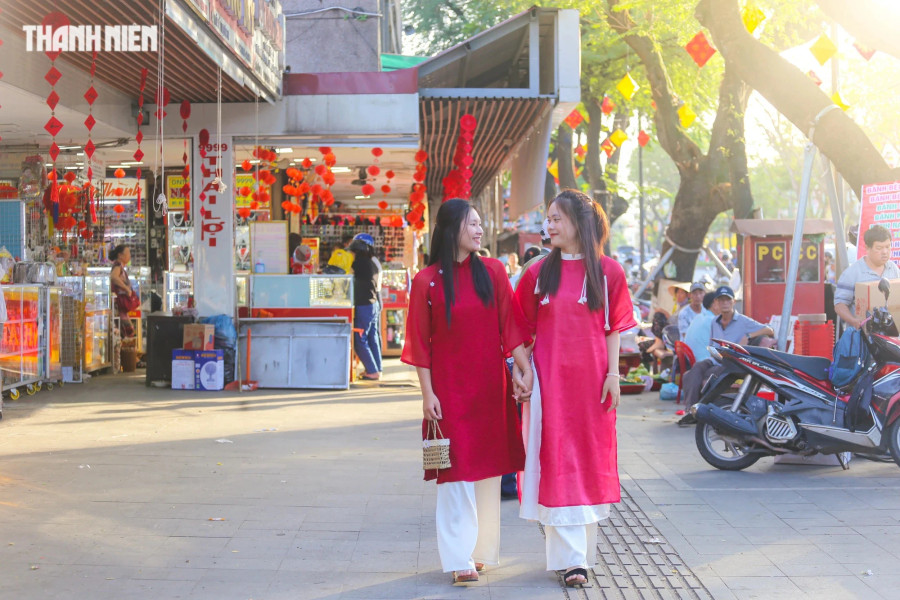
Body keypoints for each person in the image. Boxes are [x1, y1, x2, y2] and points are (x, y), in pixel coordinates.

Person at [402, 198, 533, 586]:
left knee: (488, 472)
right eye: (471, 224)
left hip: (490, 388)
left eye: (480, 223)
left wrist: (525, 373)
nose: (479, 230)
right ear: (449, 229)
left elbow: (511, 328)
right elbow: (420, 345)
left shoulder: (492, 272)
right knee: (455, 472)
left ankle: (479, 552)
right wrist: (427, 395)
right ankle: (459, 556)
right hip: (449, 391)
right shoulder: (427, 281)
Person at [513, 190, 636, 587]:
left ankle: (580, 555)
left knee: (586, 459)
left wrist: (613, 375)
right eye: (547, 219)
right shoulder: (536, 273)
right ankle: (572, 561)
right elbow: (517, 329)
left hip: (594, 384)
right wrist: (522, 371)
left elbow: (613, 327)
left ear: (578, 222)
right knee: (556, 459)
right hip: (549, 383)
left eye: (556, 219)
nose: (548, 226)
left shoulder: (609, 272)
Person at [680, 286, 774, 409]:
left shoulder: (742, 321)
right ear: (716, 303)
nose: (724, 303)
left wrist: (748, 335)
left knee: (706, 374)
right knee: (695, 369)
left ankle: (701, 409)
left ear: (733, 302)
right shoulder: (714, 321)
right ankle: (691, 409)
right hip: (715, 359)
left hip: (731, 363)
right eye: (721, 300)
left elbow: (769, 330)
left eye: (727, 300)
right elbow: (712, 344)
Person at [834, 225, 900, 329]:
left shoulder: (894, 269)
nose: (885, 252)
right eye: (879, 248)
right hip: (862, 337)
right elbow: (839, 304)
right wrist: (854, 321)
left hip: (890, 336)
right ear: (867, 248)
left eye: (888, 247)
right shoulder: (853, 273)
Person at [349, 233, 383, 381]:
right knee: (371, 337)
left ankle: (372, 370)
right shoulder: (373, 262)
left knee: (359, 339)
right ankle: (376, 368)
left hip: (364, 305)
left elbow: (349, 280)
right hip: (373, 303)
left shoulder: (358, 263)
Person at [683, 291, 719, 363]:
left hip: (690, 362)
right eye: (721, 301)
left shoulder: (699, 317)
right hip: (703, 364)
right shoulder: (713, 321)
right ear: (714, 304)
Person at [109, 245, 135, 338]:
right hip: (118, 306)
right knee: (127, 331)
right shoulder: (117, 266)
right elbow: (114, 277)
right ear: (120, 255)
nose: (129, 256)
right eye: (127, 253)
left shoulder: (120, 266)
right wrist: (126, 288)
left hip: (120, 306)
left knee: (125, 332)